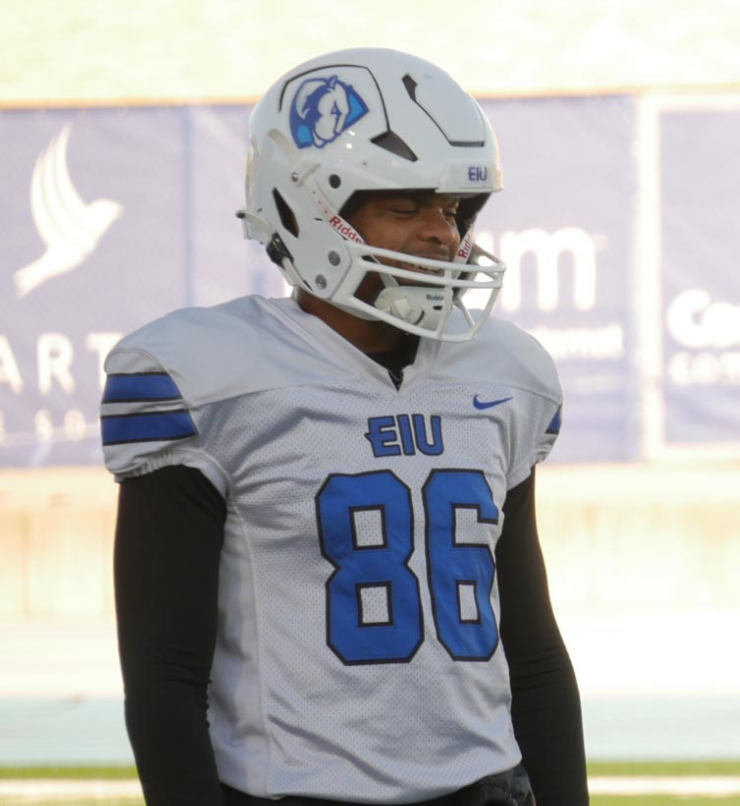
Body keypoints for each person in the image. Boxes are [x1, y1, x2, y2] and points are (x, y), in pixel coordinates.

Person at [101, 48, 588, 806]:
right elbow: (164, 670)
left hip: (487, 787)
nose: (441, 235)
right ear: (304, 212)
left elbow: (530, 647)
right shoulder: (209, 377)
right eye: (405, 207)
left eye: (451, 210)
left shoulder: (504, 371)